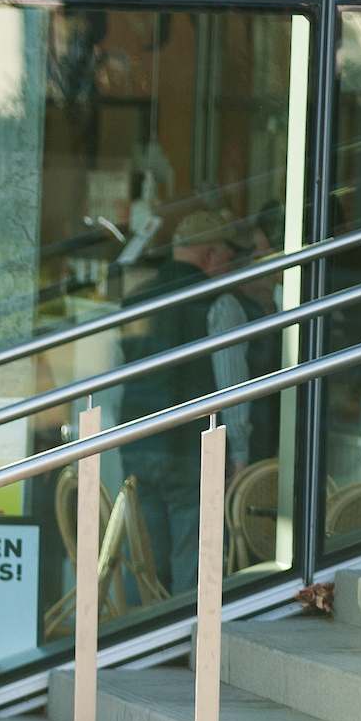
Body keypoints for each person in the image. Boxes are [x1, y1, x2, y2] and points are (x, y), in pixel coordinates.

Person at [119, 209, 241, 596]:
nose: (232, 265)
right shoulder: (220, 304)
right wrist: (240, 449)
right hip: (193, 448)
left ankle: (139, 640)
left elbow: (116, 376)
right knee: (194, 558)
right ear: (209, 255)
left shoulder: (135, 300)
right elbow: (232, 387)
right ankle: (189, 642)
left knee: (143, 557)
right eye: (228, 255)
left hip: (139, 442)